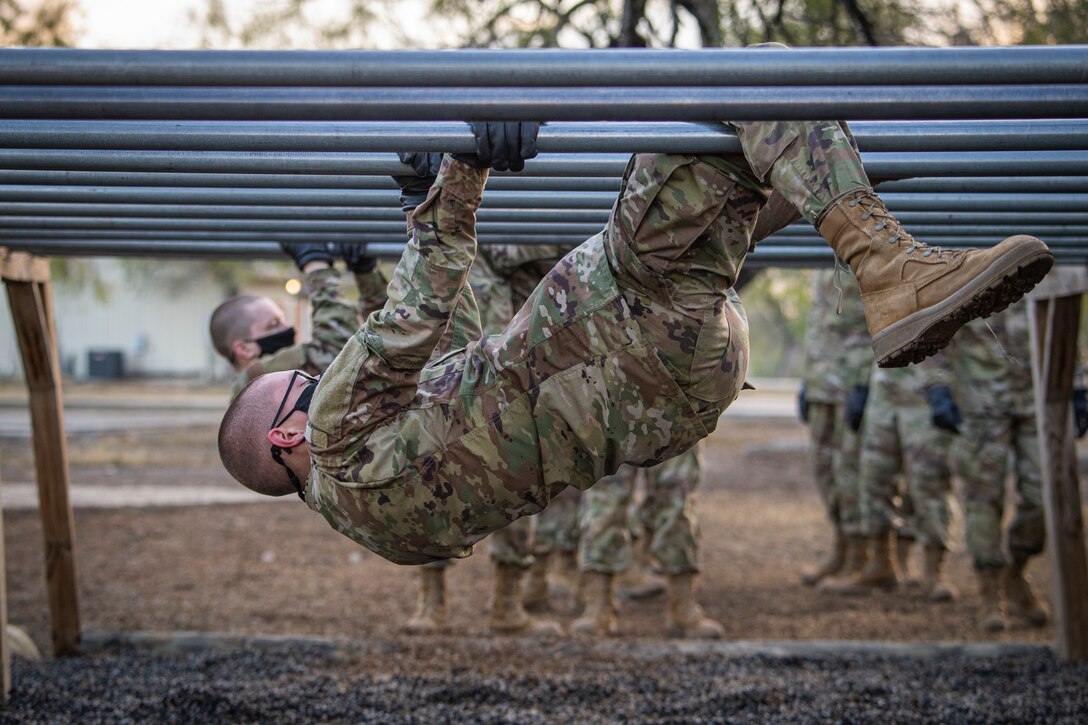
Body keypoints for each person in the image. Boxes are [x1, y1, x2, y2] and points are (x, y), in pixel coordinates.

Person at [218, 115, 1052, 570]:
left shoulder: (380, 529)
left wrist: (424, 197)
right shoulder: (331, 429)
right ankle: (885, 261)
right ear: (290, 433)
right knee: (721, 95)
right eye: (305, 382)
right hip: (621, 325)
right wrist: (464, 162)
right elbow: (426, 295)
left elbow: (463, 344)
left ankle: (811, 176)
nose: (318, 374)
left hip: (679, 393)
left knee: (711, 198)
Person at [951, 300, 1057, 631]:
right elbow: (938, 323)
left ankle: (1016, 574)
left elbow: (1060, 320)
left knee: (1044, 494)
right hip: (981, 403)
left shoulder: (1038, 259)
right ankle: (989, 594)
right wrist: (936, 386)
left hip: (1033, 400)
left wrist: (1079, 381)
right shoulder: (965, 258)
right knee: (984, 499)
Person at [825, 353, 960, 600]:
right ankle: (881, 564)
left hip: (925, 391)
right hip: (882, 394)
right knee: (873, 478)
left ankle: (933, 573)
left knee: (929, 481)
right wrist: (863, 384)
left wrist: (945, 386)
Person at [573, 446, 724, 639]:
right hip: (611, 417)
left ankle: (683, 606)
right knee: (605, 503)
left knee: (677, 501)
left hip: (674, 417)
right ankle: (598, 606)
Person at [209, 242, 384, 397]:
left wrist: (366, 273)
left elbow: (383, 347)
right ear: (244, 349)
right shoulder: (255, 383)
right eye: (273, 325)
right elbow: (337, 349)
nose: (287, 328)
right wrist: (315, 265)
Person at [798, 266, 873, 588]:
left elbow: (882, 318)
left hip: (853, 379)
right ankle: (840, 550)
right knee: (824, 469)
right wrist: (807, 378)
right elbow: (819, 321)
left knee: (850, 472)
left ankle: (861, 558)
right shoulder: (818, 257)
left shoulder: (867, 250)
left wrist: (869, 381)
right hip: (821, 382)